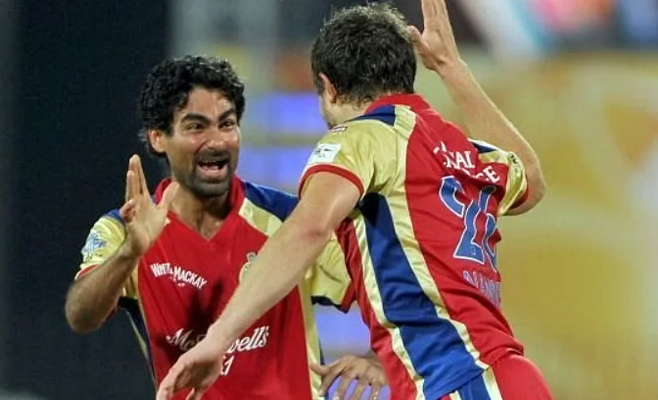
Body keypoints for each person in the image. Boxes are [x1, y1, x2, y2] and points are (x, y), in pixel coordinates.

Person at [156, 1, 554, 399]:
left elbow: (309, 227)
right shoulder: (461, 150)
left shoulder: (363, 136)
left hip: (460, 380)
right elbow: (530, 180)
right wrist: (452, 68)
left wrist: (216, 339)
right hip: (505, 377)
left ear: (329, 86)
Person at [64, 55, 387, 400]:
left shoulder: (291, 222)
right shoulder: (125, 229)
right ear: (159, 138)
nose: (217, 141)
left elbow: (394, 291)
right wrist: (130, 252)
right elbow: (81, 316)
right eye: (196, 126)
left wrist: (379, 357)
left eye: (227, 124)